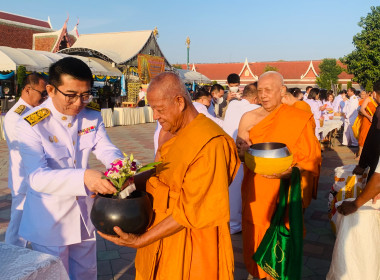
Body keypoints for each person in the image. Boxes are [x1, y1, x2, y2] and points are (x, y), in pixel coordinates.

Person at [99, 72, 240, 280]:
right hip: (159, 227)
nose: (155, 116)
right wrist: (120, 184)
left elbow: (192, 210)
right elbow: (160, 174)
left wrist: (141, 240)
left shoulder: (212, 143)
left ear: (180, 102)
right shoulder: (172, 132)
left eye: (159, 109)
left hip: (191, 238)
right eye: (152, 109)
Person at [16, 57, 124, 279]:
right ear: (51, 89)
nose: (78, 103)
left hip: (84, 216)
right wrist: (84, 176)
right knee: (56, 274)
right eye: (71, 95)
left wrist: (119, 168)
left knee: (86, 272)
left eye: (85, 95)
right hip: (50, 221)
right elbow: (37, 177)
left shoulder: (91, 116)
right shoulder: (31, 124)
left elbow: (105, 148)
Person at [236, 71, 321, 279]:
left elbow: (312, 158)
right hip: (257, 192)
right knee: (255, 245)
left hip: (285, 194)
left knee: (283, 246)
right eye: (260, 91)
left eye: (268, 90)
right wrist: (240, 151)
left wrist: (292, 172)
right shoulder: (249, 118)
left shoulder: (297, 118)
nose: (263, 95)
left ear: (282, 91)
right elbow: (239, 154)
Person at [4, 73, 48, 247]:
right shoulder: (16, 115)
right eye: (42, 93)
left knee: (32, 221)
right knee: (18, 225)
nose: (44, 97)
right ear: (28, 89)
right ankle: (10, 260)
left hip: (35, 176)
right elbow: (28, 149)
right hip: (24, 177)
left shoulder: (34, 111)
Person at [223, 83, 260, 234]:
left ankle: (232, 221)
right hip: (240, 152)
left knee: (231, 188)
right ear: (256, 98)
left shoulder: (233, 105)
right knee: (238, 189)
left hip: (227, 150)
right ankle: (235, 224)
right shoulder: (255, 109)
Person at [353, 81, 380, 181]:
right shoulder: (370, 101)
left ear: (374, 93)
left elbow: (373, 139)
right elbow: (362, 109)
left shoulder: (379, 111)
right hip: (367, 120)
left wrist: (363, 164)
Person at [356, 91, 378, 160]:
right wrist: (368, 117)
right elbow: (362, 109)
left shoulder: (378, 100)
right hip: (367, 119)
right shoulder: (368, 99)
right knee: (363, 136)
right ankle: (360, 155)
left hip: (375, 121)